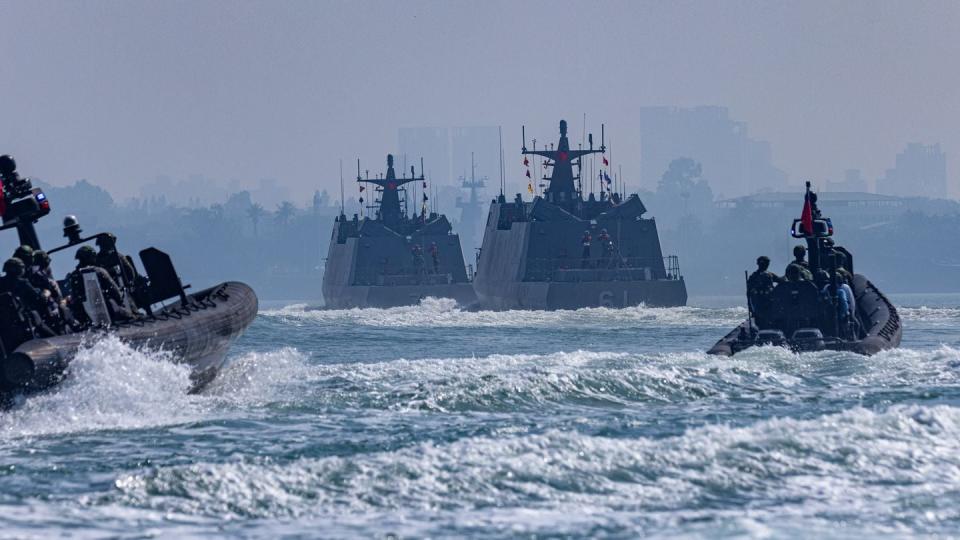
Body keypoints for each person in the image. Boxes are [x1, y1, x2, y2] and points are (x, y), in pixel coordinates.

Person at [66, 246, 132, 324]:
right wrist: (121, 301)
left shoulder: (74, 276)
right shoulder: (100, 271)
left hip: (85, 317)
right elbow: (115, 292)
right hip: (109, 311)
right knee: (132, 316)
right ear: (91, 257)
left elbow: (74, 297)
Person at [0, 258, 55, 338]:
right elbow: (38, 298)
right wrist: (45, 293)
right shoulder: (23, 282)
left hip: (5, 323)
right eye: (21, 267)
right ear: (17, 269)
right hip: (25, 319)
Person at [747, 256, 783, 325]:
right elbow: (749, 292)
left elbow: (748, 293)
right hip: (764, 302)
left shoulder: (754, 276)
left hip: (764, 303)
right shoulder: (768, 275)